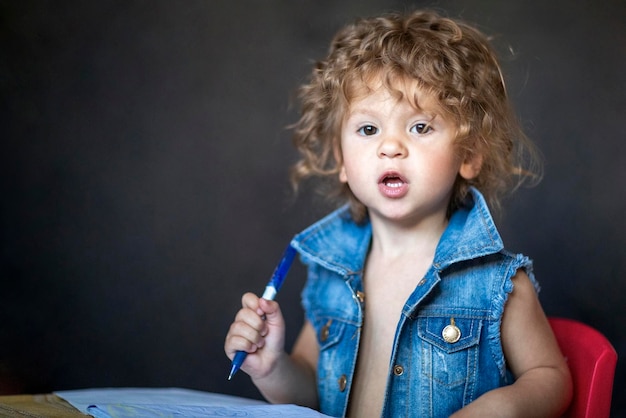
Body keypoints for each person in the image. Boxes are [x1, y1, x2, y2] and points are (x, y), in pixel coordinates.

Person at [224, 9, 572, 418]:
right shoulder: (331, 275)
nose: (391, 147)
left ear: (469, 155)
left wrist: (503, 407)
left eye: (420, 127)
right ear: (341, 159)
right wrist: (272, 368)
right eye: (368, 130)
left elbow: (551, 376)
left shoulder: (496, 283)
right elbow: (310, 394)